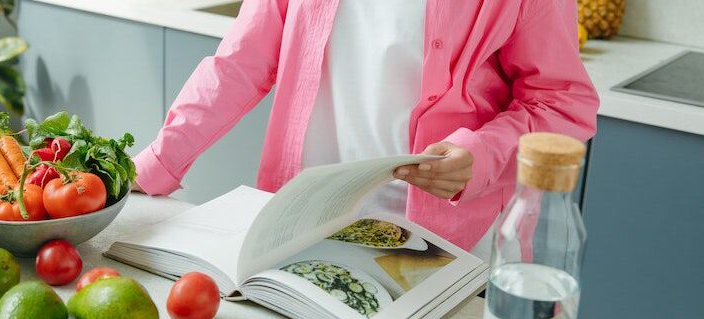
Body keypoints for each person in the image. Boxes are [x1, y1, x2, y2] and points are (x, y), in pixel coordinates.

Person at [131, 0, 599, 256]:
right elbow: (240, 61)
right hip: (306, 223)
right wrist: (155, 163)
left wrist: (483, 157)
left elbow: (562, 101)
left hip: (447, 244)